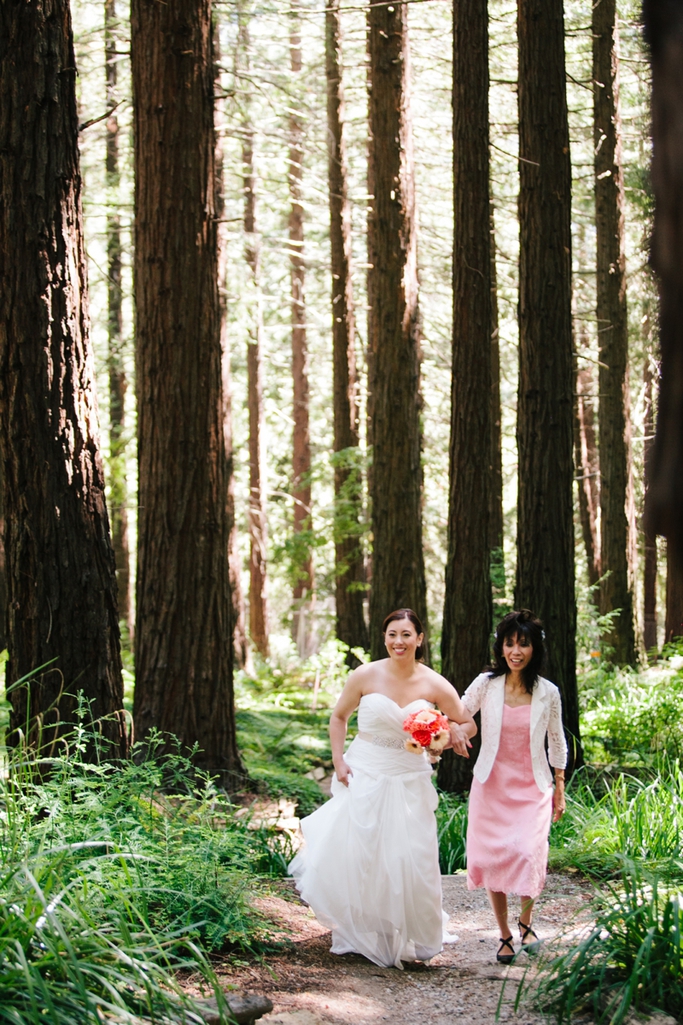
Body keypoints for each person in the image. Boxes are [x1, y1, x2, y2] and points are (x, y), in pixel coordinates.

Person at [289, 608, 475, 969]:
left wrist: (448, 735)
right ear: (385, 637)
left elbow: (466, 723)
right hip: (366, 770)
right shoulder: (365, 674)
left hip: (409, 775)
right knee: (365, 851)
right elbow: (339, 716)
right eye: (392, 634)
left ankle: (411, 930)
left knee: (411, 854)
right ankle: (363, 929)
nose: (398, 642)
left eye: (406, 634)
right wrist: (339, 759)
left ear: (419, 639)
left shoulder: (435, 683)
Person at [451, 609, 567, 964]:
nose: (515, 651)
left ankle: (527, 923)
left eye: (523, 644)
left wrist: (559, 786)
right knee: (494, 857)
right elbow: (458, 711)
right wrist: (438, 729)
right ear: (501, 647)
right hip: (491, 784)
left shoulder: (548, 692)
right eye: (509, 643)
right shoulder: (486, 684)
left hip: (533, 786)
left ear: (534, 649)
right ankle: (503, 933)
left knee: (529, 853)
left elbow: (556, 741)